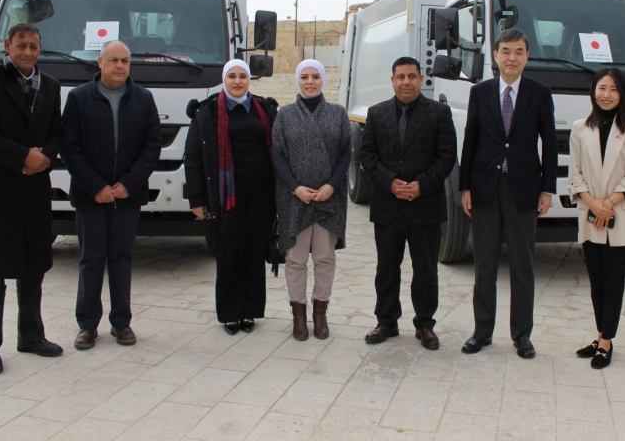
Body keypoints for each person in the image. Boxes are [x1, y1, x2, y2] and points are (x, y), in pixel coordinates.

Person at [0, 23, 63, 375]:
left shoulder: (50, 86)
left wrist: (43, 157)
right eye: (22, 45)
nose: (28, 52)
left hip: (33, 189)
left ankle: (31, 336)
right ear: (7, 45)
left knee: (33, 269)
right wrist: (23, 157)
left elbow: (56, 132)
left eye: (34, 46)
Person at [459, 27, 557, 358]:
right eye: (506, 51)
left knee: (522, 266)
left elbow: (550, 142)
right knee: (484, 266)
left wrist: (548, 189)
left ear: (527, 56)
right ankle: (481, 332)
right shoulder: (480, 92)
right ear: (496, 55)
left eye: (518, 51)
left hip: (524, 189)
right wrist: (465, 186)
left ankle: (522, 335)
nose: (511, 57)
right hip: (485, 188)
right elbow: (471, 140)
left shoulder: (539, 93)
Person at [61, 40, 161, 350]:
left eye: (125, 61)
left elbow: (152, 146)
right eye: (114, 60)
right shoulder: (79, 98)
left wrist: (129, 184)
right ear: (100, 63)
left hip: (127, 196)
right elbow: (70, 147)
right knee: (91, 259)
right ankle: (87, 325)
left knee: (122, 258)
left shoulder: (143, 98)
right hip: (90, 196)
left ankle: (121, 322)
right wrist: (96, 186)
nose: (120, 66)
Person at [359, 56, 457, 350]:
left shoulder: (439, 113)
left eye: (412, 76)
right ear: (392, 81)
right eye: (400, 77)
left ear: (421, 79)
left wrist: (420, 185)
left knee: (426, 270)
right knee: (386, 269)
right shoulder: (376, 114)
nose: (406, 82)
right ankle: (386, 321)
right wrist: (390, 183)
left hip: (425, 206)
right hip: (388, 207)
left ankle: (425, 324)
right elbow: (367, 156)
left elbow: (446, 157)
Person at [184, 59, 278, 335]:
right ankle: (230, 314)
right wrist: (197, 200)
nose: (237, 81)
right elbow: (193, 159)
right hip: (225, 198)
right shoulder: (207, 112)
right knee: (228, 254)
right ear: (224, 80)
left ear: (249, 80)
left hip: (261, 195)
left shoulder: (265, 109)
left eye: (243, 76)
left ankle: (250, 312)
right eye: (232, 76)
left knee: (254, 253)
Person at [567, 68, 625, 369]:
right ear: (593, 91)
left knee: (613, 282)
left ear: (622, 94)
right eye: (602, 88)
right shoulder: (580, 128)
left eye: (613, 89)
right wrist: (592, 204)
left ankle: (606, 342)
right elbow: (574, 173)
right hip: (591, 215)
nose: (606, 94)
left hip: (619, 215)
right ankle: (600, 335)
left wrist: (608, 204)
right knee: (596, 281)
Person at [272, 59, 351, 341]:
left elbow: (346, 153)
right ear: (298, 80)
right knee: (295, 259)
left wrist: (331, 185)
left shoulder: (338, 114)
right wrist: (296, 188)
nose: (310, 82)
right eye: (304, 77)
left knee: (324, 258)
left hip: (329, 199)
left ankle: (320, 314)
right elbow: (277, 154)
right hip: (295, 199)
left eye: (315, 77)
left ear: (322, 80)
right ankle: (298, 315)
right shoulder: (285, 115)